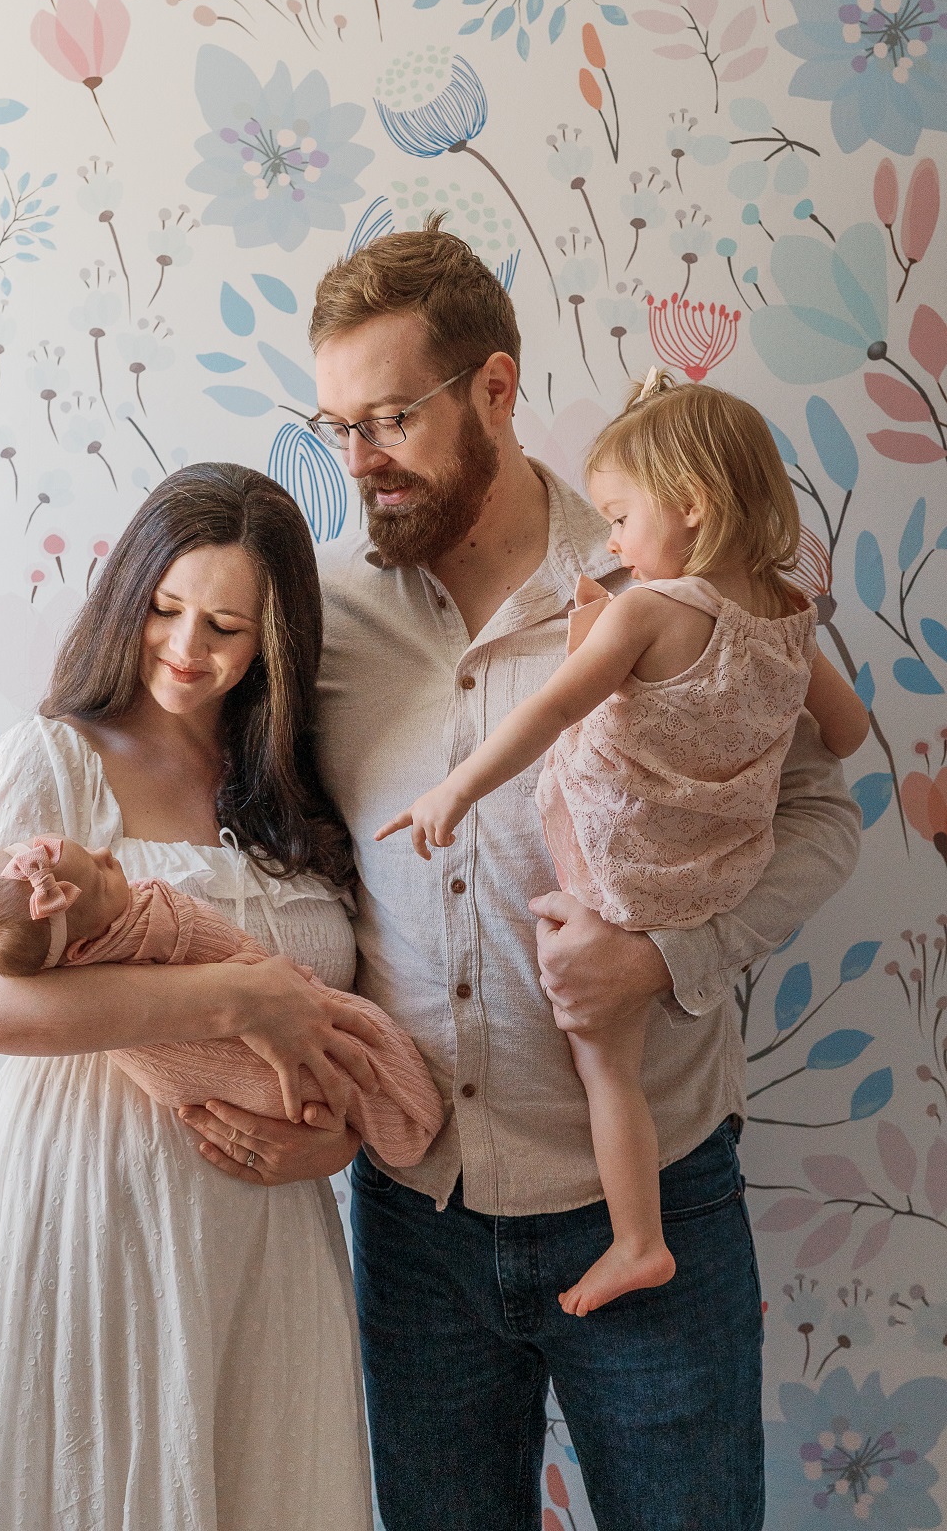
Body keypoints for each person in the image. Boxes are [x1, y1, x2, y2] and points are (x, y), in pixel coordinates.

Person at [293, 224, 860, 1530]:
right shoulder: (317, 616)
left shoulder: (657, 579)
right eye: (332, 425)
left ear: (491, 388)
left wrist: (667, 958)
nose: (355, 460)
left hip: (658, 1184)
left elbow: (824, 814)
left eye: (386, 417)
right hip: (411, 1218)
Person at [0, 462, 386, 1530]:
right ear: (127, 595)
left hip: (265, 1245)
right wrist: (234, 1002)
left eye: (225, 627)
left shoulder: (295, 798)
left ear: (273, 644)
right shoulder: (52, 765)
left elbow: (355, 1018)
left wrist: (337, 1137)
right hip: (88, 1212)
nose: (186, 650)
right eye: (164, 609)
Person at [381, 372, 865, 1317]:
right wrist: (735, 720)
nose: (607, 543)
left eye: (617, 520)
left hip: (620, 883)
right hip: (710, 878)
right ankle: (637, 1236)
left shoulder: (649, 610)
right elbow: (843, 737)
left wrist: (455, 788)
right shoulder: (787, 618)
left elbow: (551, 712)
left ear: (689, 506)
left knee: (608, 1070)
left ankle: (637, 1240)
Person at [0, 834, 443, 1165]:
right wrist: (249, 995)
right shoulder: (50, 760)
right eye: (100, 873)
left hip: (274, 1195)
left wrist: (338, 1146)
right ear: (81, 952)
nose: (106, 853)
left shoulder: (292, 770)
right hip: (97, 1156)